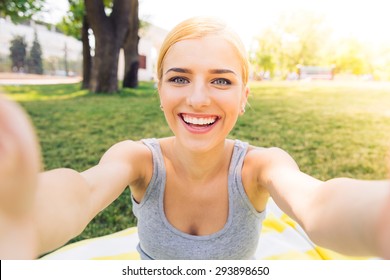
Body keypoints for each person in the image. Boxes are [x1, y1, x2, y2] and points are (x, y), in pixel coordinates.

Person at [1, 16, 390, 260]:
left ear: (243, 97)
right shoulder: (139, 160)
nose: (199, 99)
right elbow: (81, 191)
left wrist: (380, 219)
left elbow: (319, 203)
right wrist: (19, 217)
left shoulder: (260, 167)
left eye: (221, 80)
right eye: (179, 78)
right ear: (161, 91)